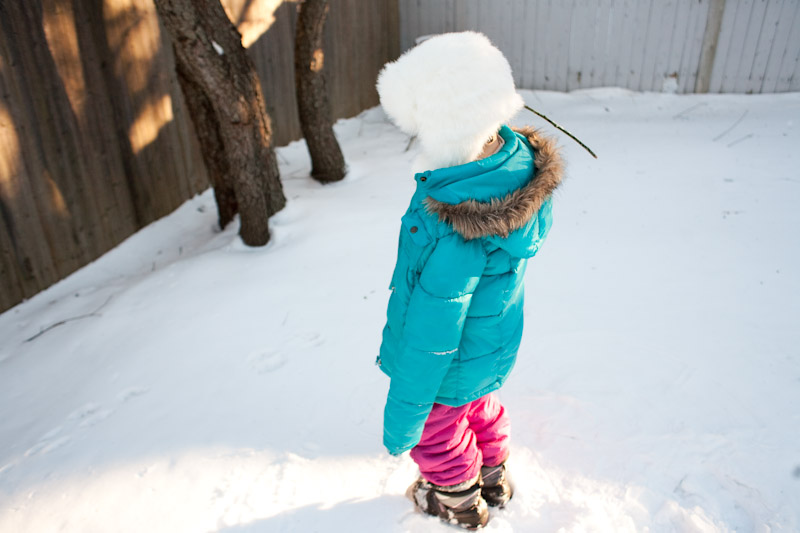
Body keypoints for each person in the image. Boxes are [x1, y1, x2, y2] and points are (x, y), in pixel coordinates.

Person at [375, 32, 564, 529]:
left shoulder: (455, 221)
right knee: (477, 404)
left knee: (437, 430)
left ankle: (458, 501)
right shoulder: (510, 168)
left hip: (451, 357)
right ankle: (494, 474)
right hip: (488, 346)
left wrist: (404, 416)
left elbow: (433, 328)